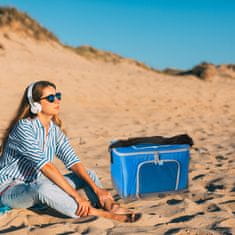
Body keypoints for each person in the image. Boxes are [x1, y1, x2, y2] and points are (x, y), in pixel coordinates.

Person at [0, 81, 140, 222]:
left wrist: (97, 189)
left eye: (58, 96)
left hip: (36, 183)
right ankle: (94, 212)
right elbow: (46, 167)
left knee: (88, 174)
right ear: (35, 104)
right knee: (42, 189)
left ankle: (110, 206)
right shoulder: (24, 128)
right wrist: (77, 197)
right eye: (50, 98)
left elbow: (74, 162)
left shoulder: (54, 130)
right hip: (10, 190)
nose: (57, 101)